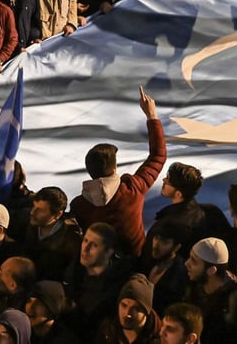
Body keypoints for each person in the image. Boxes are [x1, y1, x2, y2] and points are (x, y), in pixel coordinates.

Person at [70, 87, 167, 257]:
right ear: (114, 169)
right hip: (136, 262)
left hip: (100, 265)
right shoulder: (132, 189)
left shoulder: (79, 205)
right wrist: (152, 116)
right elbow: (158, 155)